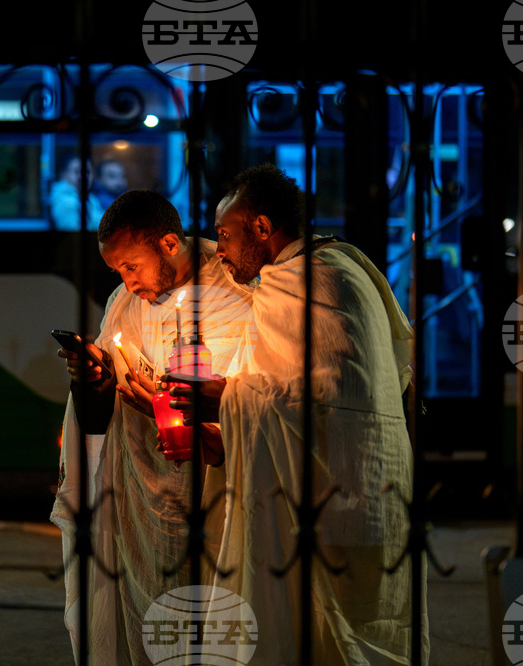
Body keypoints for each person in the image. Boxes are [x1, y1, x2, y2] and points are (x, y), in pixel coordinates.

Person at [171, 164, 428, 664]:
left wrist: (226, 399)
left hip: (336, 498)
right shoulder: (325, 270)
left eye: (225, 235)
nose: (217, 251)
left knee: (333, 632)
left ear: (262, 228)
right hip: (357, 490)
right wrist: (229, 417)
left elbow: (331, 396)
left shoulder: (316, 279)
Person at [49, 189, 256, 664]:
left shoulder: (235, 289)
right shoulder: (127, 301)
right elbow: (102, 412)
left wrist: (174, 403)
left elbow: (257, 397)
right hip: (143, 499)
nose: (126, 281)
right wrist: (95, 374)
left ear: (167, 243)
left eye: (130, 265)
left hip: (216, 491)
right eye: (117, 271)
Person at [51, 154, 106, 231]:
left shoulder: (90, 198)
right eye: (77, 171)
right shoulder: (65, 201)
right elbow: (74, 237)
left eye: (87, 172)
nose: (83, 176)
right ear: (63, 175)